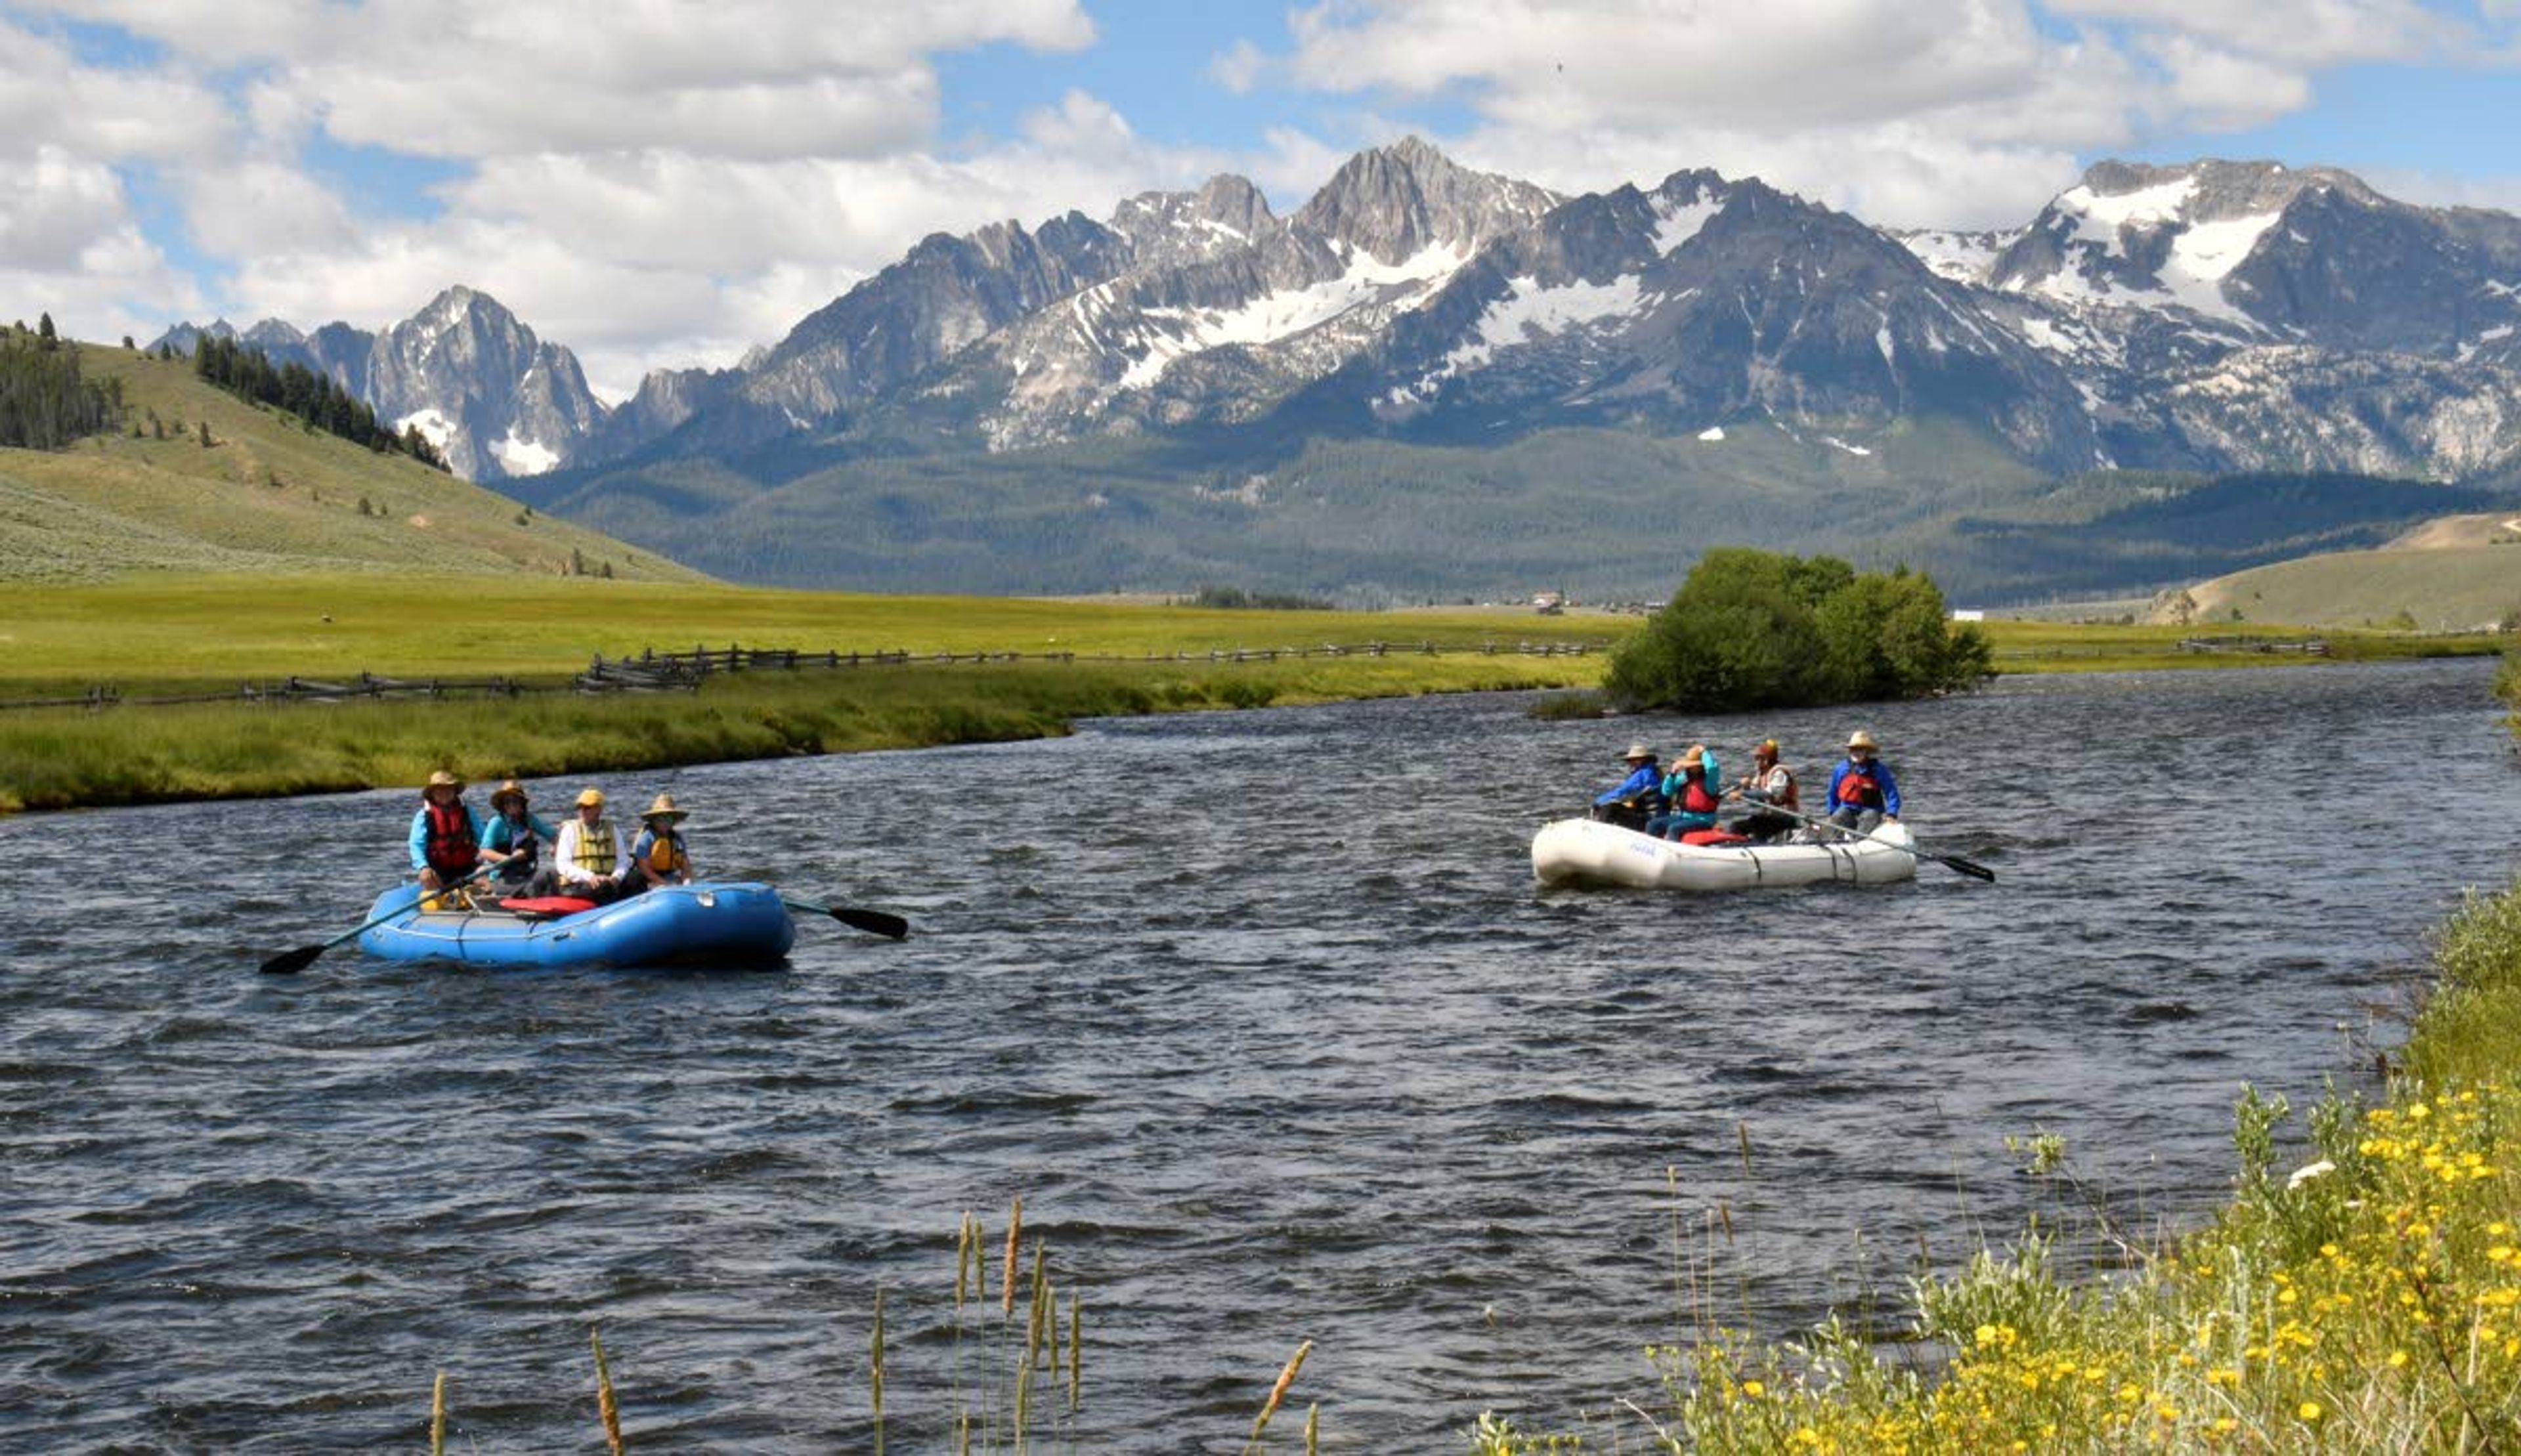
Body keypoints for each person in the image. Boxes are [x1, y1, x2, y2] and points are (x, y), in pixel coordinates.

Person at [407, 769, 483, 903]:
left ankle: (477, 900)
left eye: (448, 789)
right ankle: (446, 904)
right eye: (439, 790)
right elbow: (416, 845)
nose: (444, 793)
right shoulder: (424, 816)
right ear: (432, 793)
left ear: (455, 792)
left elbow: (483, 839)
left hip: (467, 868)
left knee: (485, 874)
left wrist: (487, 860)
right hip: (440, 871)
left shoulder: (468, 812)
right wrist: (423, 867)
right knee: (426, 877)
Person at [549, 786, 630, 905]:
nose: (582, 811)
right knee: (602, 888)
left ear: (599, 809)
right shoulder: (570, 830)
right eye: (580, 808)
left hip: (609, 882)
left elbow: (623, 861)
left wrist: (616, 878)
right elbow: (562, 864)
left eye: (587, 808)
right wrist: (590, 877)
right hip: (579, 884)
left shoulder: (612, 829)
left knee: (637, 878)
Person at [478, 779, 557, 897]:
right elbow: (484, 852)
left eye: (515, 801)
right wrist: (509, 858)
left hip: (526, 873)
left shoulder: (529, 820)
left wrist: (556, 846)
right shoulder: (497, 823)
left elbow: (553, 836)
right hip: (502, 878)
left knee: (552, 873)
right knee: (533, 887)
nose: (511, 805)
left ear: (522, 803)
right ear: (503, 805)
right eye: (507, 802)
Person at [1825, 729, 1902, 834]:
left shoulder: (1879, 769)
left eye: (1860, 749)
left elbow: (1891, 793)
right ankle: (1837, 843)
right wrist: (1831, 813)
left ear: (1867, 751)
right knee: (1838, 816)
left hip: (1871, 810)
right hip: (1848, 809)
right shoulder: (1841, 769)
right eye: (1853, 749)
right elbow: (1832, 794)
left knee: (1869, 816)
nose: (1856, 752)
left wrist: (1892, 814)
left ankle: (1860, 843)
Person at [1646, 744, 1724, 840]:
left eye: (1696, 766)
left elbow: (1712, 768)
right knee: (1653, 824)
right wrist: (1672, 775)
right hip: (1684, 817)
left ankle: (1674, 852)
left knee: (1674, 829)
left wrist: (1704, 752)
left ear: (1702, 767)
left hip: (1704, 821)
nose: (1691, 768)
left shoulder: (1709, 782)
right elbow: (1666, 792)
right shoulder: (1684, 778)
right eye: (1691, 766)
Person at [623, 793, 694, 897]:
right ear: (654, 820)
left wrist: (687, 881)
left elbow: (685, 864)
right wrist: (666, 885)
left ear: (673, 821)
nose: (665, 823)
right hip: (647, 880)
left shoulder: (677, 838)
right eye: (660, 819)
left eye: (669, 819)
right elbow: (644, 869)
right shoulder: (647, 838)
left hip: (670, 877)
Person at [1731, 739, 1800, 843]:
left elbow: (1768, 794)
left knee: (1760, 830)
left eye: (1758, 758)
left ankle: (1760, 848)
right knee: (1736, 827)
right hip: (1770, 817)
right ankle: (1739, 848)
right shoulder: (1761, 774)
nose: (1756, 761)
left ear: (1766, 759)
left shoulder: (1779, 773)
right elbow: (1757, 801)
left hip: (1786, 818)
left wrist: (1742, 793)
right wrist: (1747, 787)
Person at [1591, 743, 1664, 830]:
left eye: (1634, 760)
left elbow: (1622, 791)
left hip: (1645, 817)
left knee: (1610, 808)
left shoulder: (1643, 774)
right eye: (1630, 760)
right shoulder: (1655, 771)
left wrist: (1599, 801)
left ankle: (1599, 832)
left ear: (1644, 760)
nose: (1631, 763)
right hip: (1657, 814)